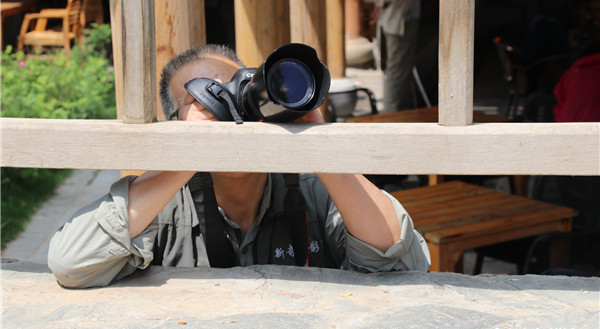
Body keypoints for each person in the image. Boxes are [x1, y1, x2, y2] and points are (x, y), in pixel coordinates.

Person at [48, 44, 431, 288]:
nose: (225, 110)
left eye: (234, 92)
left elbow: (402, 262)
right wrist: (187, 154)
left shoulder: (313, 189)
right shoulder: (164, 204)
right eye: (201, 97)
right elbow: (72, 263)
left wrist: (320, 148)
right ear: (173, 122)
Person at [372, 0, 420, 112]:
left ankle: (394, 111)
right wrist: (380, 2)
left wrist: (380, 2)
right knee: (396, 70)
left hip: (399, 14)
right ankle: (391, 113)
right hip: (398, 16)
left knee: (397, 69)